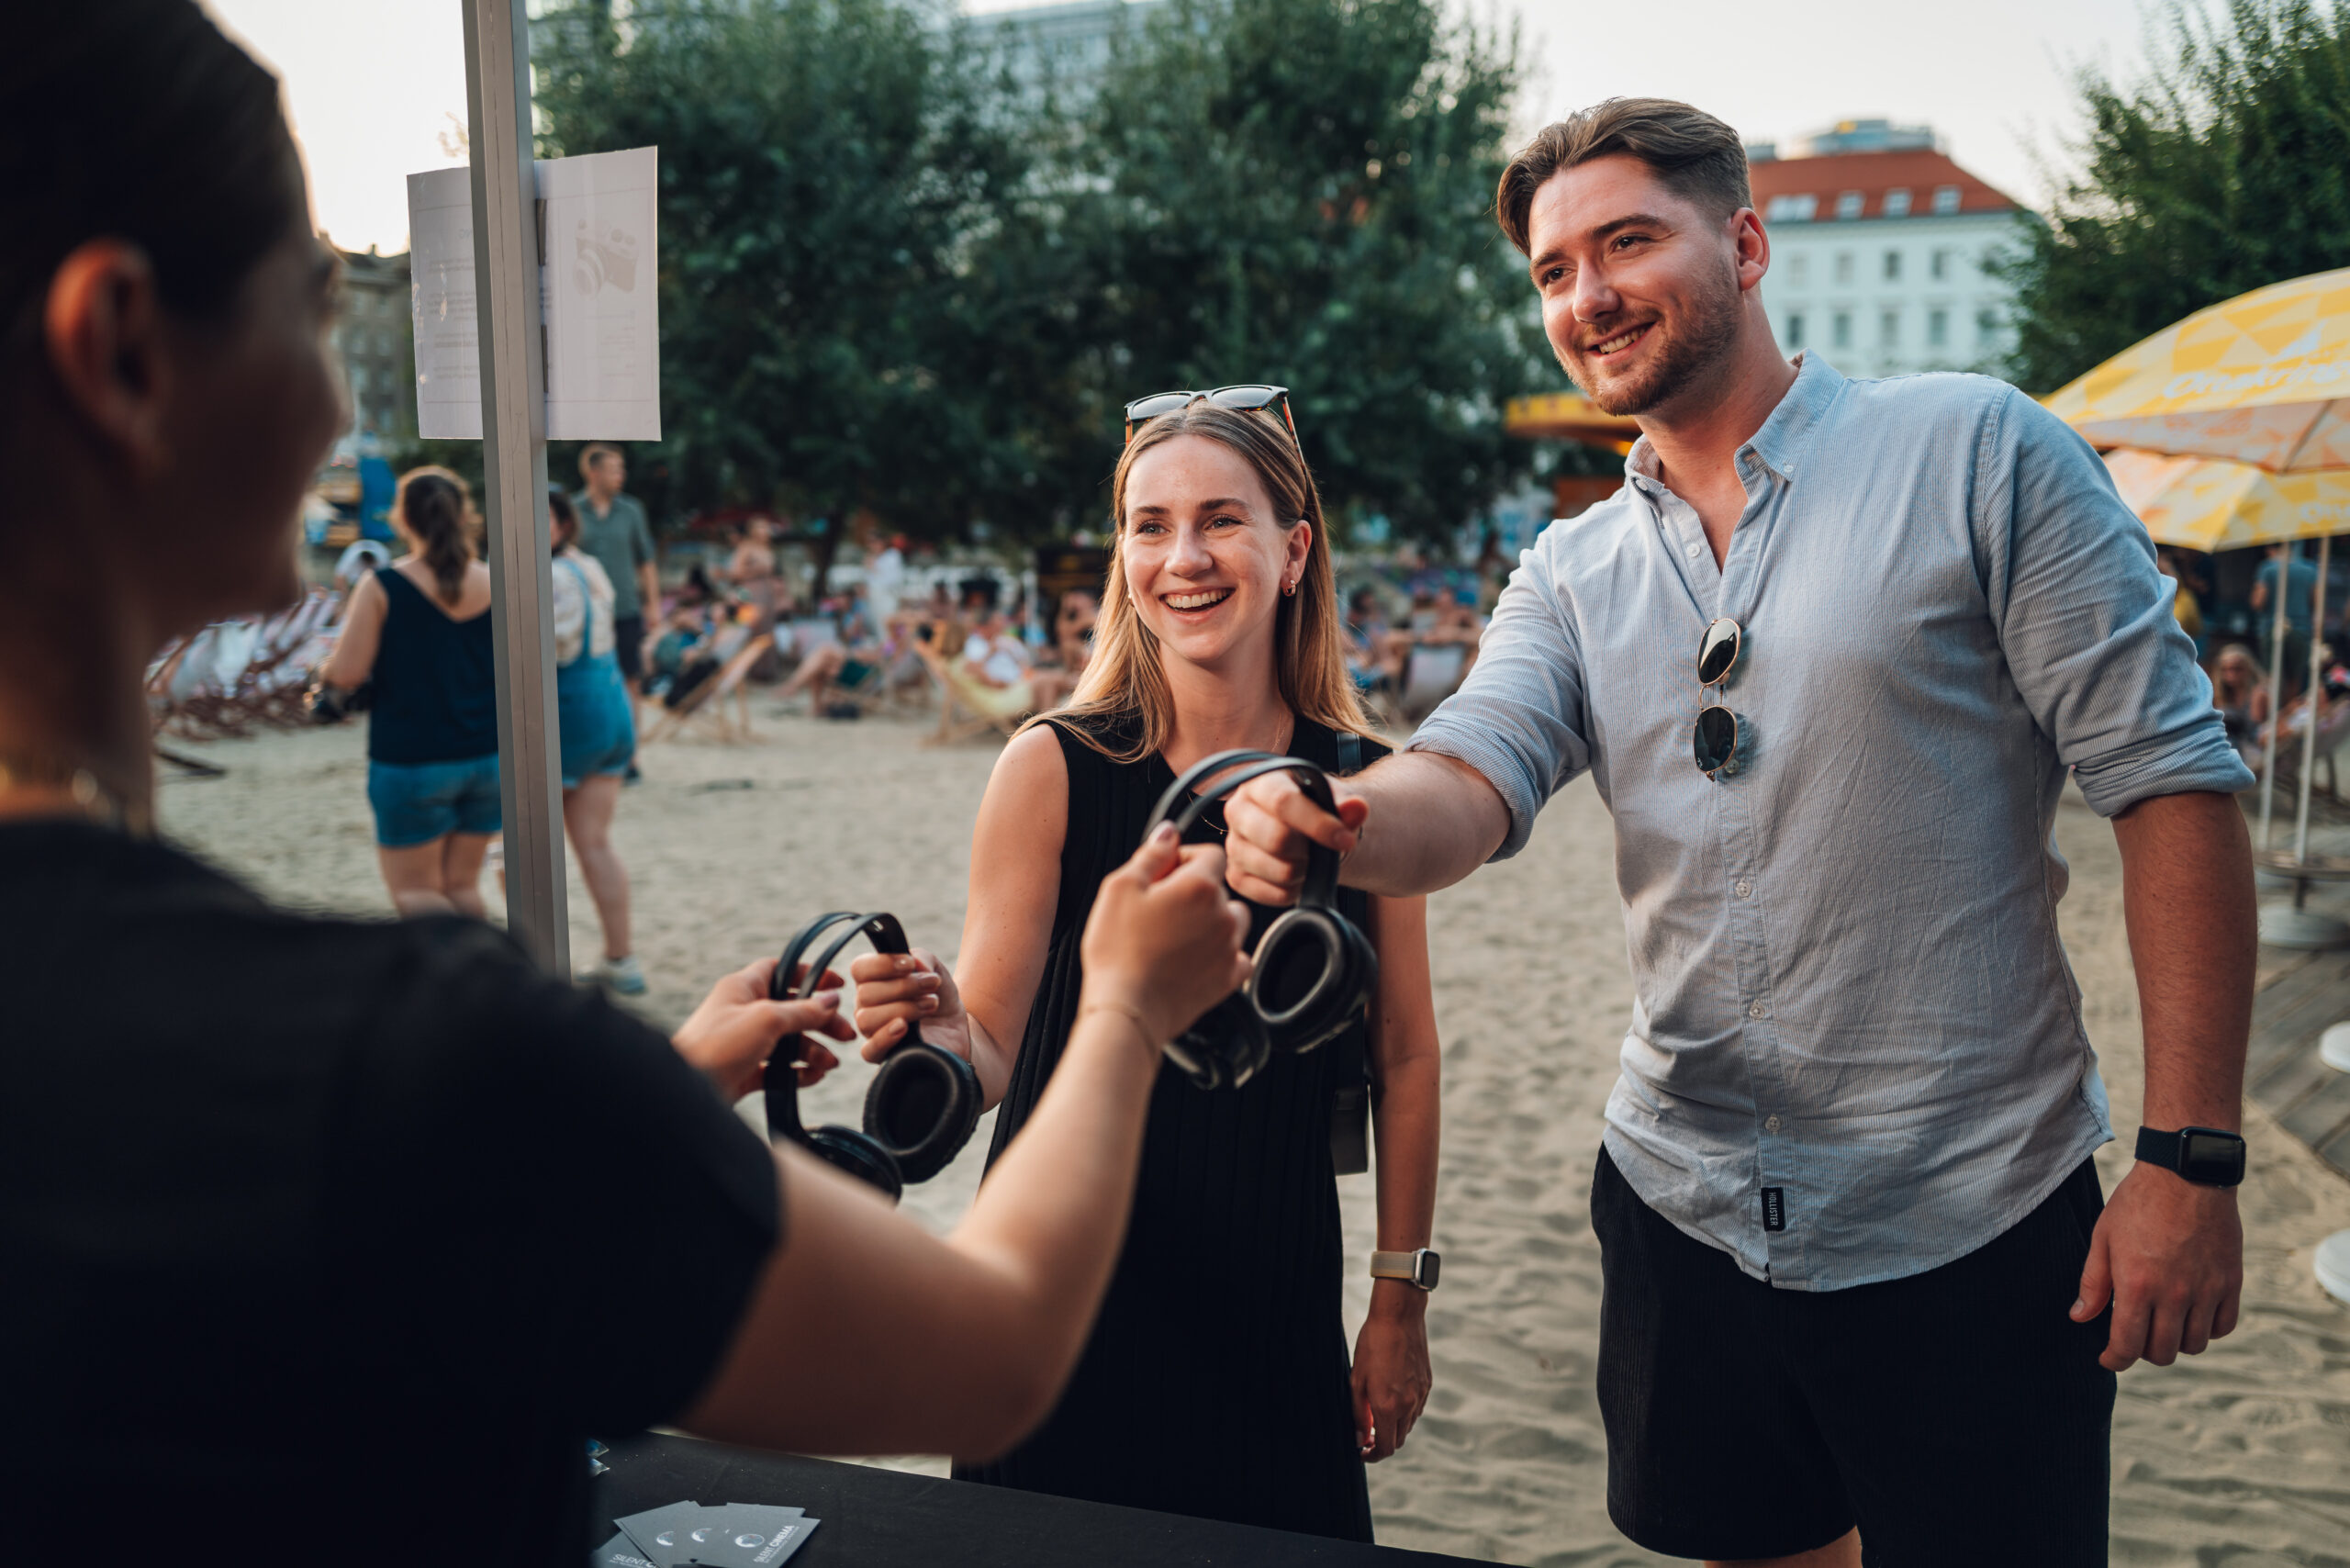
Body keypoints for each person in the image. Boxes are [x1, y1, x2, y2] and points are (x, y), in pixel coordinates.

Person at [0, 7, 1255, 1559]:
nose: (339, 409)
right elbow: (990, 1353)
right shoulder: (401, 1049)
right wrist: (1127, 1004)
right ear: (123, 348)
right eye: (311, 312)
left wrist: (644, 1099)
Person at [1222, 98, 2255, 1568]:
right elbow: (1470, 777)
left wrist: (2189, 1155)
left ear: (1749, 243)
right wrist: (1329, 818)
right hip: (1681, 1205)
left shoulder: (1978, 449)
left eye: (1626, 241)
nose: (1587, 296)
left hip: (1968, 1211)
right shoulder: (1572, 566)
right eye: (1553, 272)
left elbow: (2170, 784)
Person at [852, 396, 1444, 1540]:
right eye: (1147, 525)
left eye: (1221, 520)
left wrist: (1397, 1300)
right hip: (1051, 1307)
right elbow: (990, 1044)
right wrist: (930, 1029)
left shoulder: (1364, 784)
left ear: (1293, 549)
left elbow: (1406, 1054)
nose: (1182, 558)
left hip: (1270, 1303)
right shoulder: (1051, 766)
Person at [321, 466, 500, 918]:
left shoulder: (382, 587)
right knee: (462, 888)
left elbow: (347, 673)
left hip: (412, 757)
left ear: (402, 520)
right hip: (486, 755)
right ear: (464, 516)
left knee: (416, 894)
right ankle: (478, 982)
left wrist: (321, 669)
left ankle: (454, 987)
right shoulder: (496, 581)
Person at [548, 489, 644, 995]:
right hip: (611, 708)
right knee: (595, 843)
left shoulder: (547, 577)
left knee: (515, 847)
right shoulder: (589, 567)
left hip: (571, 713)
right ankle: (621, 959)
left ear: (563, 523)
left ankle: (537, 963)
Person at [573, 442, 658, 723]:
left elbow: (646, 561)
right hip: (583, 613)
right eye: (614, 470)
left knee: (631, 680)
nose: (621, 475)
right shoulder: (570, 511)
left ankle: (631, 756)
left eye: (621, 469)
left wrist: (653, 605)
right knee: (586, 681)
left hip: (625, 609)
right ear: (593, 472)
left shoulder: (633, 510)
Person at [2251, 541, 2318, 699]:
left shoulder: (2267, 568)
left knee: (2271, 675)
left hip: (2272, 627)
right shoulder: (2309, 569)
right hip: (2301, 629)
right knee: (2295, 679)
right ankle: (2289, 713)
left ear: (2269, 549)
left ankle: (2273, 713)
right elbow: (2316, 602)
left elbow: (2258, 602)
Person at [2211, 643, 2271, 757]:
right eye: (2226, 670)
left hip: (2253, 748)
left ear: (2248, 668)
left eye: (2237, 669)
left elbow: (2256, 730)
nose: (2231, 674)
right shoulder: (2223, 695)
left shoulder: (2258, 694)